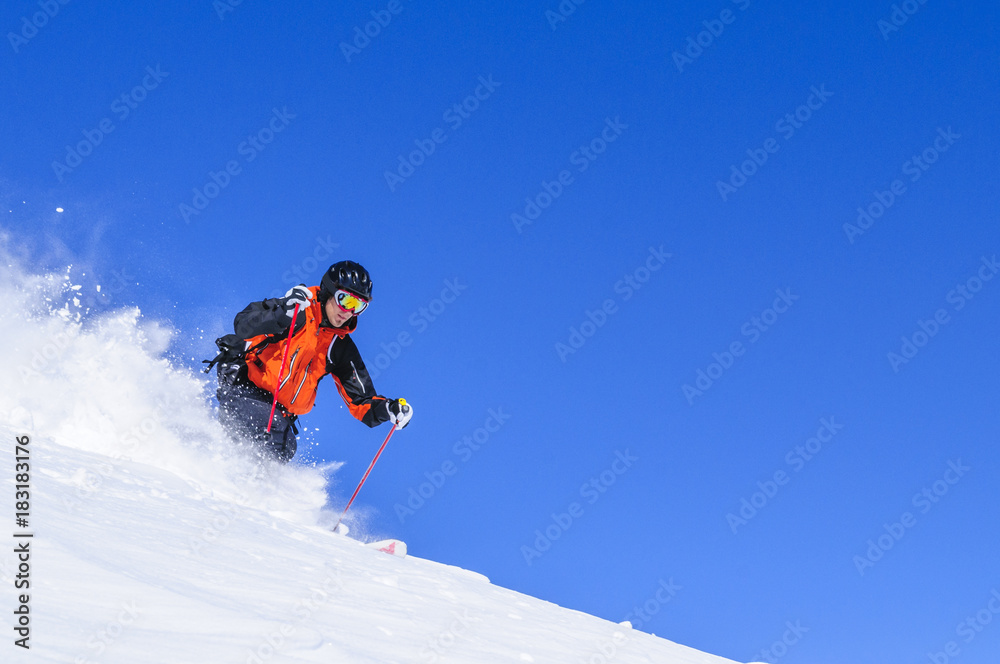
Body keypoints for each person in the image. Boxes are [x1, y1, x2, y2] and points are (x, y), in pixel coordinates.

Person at [206, 260, 412, 462]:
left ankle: (239, 482)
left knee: (285, 448)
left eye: (358, 306)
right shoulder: (298, 309)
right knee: (270, 436)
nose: (348, 311)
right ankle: (222, 469)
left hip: (278, 413)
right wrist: (281, 314)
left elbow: (361, 401)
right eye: (346, 300)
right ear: (329, 291)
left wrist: (387, 408)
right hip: (244, 387)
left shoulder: (340, 346)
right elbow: (243, 325)